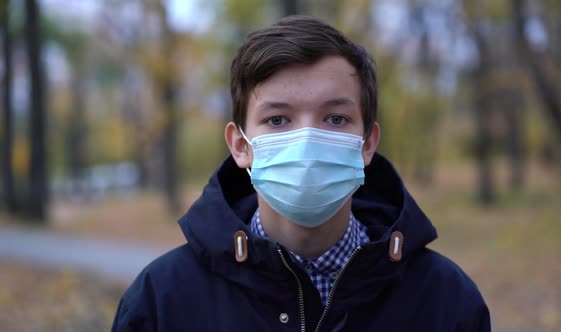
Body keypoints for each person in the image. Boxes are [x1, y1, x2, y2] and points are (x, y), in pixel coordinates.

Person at [112, 15, 490, 332]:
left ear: (367, 144)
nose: (307, 142)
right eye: (277, 119)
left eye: (335, 118)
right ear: (240, 146)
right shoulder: (162, 302)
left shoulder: (445, 301)